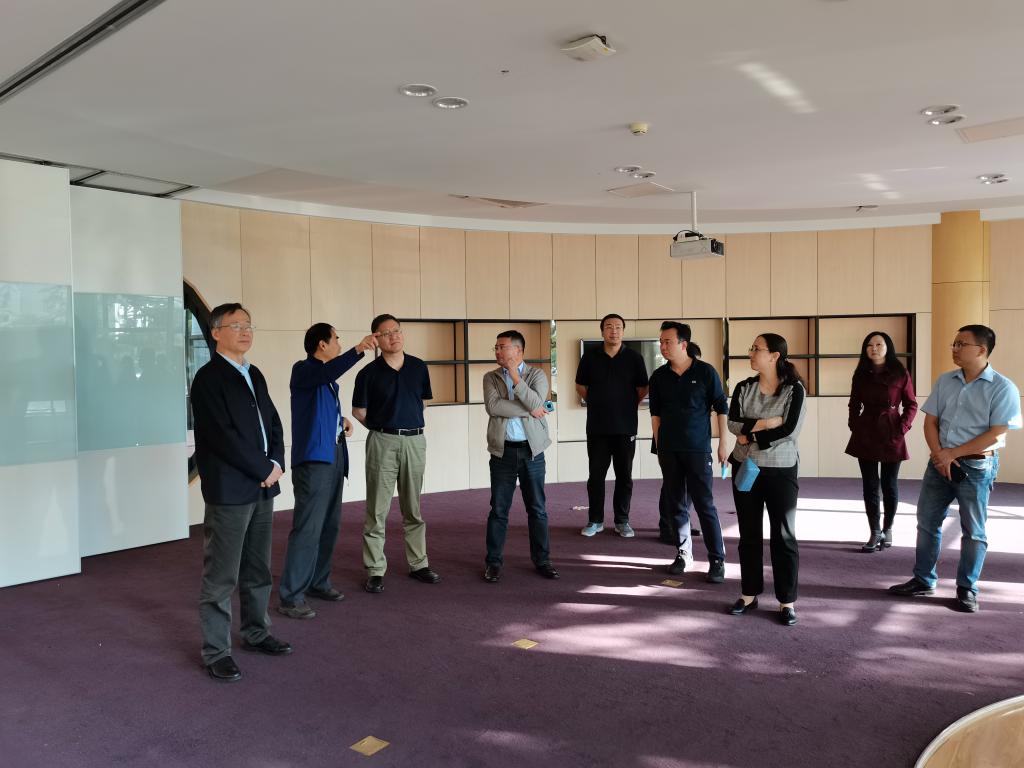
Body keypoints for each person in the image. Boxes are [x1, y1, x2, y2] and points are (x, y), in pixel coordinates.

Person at [889, 324, 1021, 613]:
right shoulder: (946, 381)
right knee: (927, 523)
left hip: (976, 466)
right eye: (954, 343)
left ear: (982, 350)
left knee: (973, 530)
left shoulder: (1003, 387)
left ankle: (967, 588)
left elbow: (997, 433)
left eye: (962, 344)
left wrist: (951, 454)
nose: (955, 348)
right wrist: (940, 455)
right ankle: (923, 579)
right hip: (939, 463)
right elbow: (930, 422)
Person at [191, 303, 290, 682]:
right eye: (236, 325)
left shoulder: (254, 373)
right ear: (216, 332)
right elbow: (222, 437)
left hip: (263, 487)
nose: (246, 331)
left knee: (258, 567)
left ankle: (256, 632)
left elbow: (273, 422)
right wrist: (263, 469)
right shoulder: (208, 379)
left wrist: (276, 461)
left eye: (249, 325)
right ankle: (216, 651)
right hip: (231, 489)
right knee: (221, 575)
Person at [277, 324, 378, 619]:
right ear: (322, 344)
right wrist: (358, 349)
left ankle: (318, 582)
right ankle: (291, 597)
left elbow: (319, 407)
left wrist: (340, 420)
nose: (339, 343)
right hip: (313, 460)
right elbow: (327, 373)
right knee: (308, 527)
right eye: (336, 339)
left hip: (333, 456)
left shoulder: (327, 380)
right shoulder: (304, 370)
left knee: (330, 525)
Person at [352, 314, 440, 594]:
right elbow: (359, 412)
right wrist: (383, 428)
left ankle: (419, 564)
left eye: (397, 330)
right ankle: (375, 569)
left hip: (415, 440)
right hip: (382, 441)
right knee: (377, 510)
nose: (394, 336)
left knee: (413, 508)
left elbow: (423, 403)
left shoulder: (418, 367)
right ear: (376, 339)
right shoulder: (368, 373)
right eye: (386, 333)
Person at [727, 333, 807, 626]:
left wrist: (751, 435)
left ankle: (787, 601)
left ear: (775, 356)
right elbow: (732, 423)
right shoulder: (743, 387)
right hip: (745, 467)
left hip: (780, 470)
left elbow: (789, 430)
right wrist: (766, 422)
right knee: (748, 533)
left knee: (783, 536)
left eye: (756, 349)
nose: (751, 352)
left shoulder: (794, 389)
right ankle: (749, 594)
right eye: (752, 348)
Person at [648, 321, 729, 583]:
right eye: (661, 342)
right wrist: (660, 447)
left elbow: (721, 408)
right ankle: (684, 553)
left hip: (697, 449)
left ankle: (717, 559)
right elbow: (655, 415)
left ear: (683, 344)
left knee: (704, 504)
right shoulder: (658, 376)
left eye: (667, 342)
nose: (663, 346)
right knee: (676, 504)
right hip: (669, 450)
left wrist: (723, 443)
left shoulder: (705, 372)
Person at [482, 331, 559, 582]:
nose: (497, 351)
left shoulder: (537, 375)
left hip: (532, 452)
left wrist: (515, 377)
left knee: (537, 509)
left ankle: (542, 560)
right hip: (502, 452)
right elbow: (493, 407)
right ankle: (493, 562)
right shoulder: (491, 377)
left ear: (519, 351)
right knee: (498, 510)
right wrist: (531, 409)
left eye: (502, 347)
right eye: (496, 347)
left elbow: (536, 400)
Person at [575, 313, 649, 538]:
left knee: (624, 476)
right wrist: (597, 402)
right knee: (596, 476)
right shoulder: (590, 357)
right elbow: (580, 386)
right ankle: (595, 520)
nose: (613, 331)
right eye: (609, 327)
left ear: (623, 331)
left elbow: (642, 388)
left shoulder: (634, 358)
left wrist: (626, 405)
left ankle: (622, 520)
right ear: (602, 331)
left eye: (618, 327)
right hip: (597, 427)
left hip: (625, 427)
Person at [845, 331, 918, 552]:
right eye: (869, 345)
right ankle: (874, 531)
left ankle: (888, 528)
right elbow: (853, 403)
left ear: (888, 347)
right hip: (866, 431)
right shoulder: (860, 373)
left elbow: (911, 404)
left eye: (879, 344)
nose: (874, 348)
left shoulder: (900, 372)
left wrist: (902, 428)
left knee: (889, 484)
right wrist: (854, 425)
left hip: (891, 430)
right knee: (869, 485)